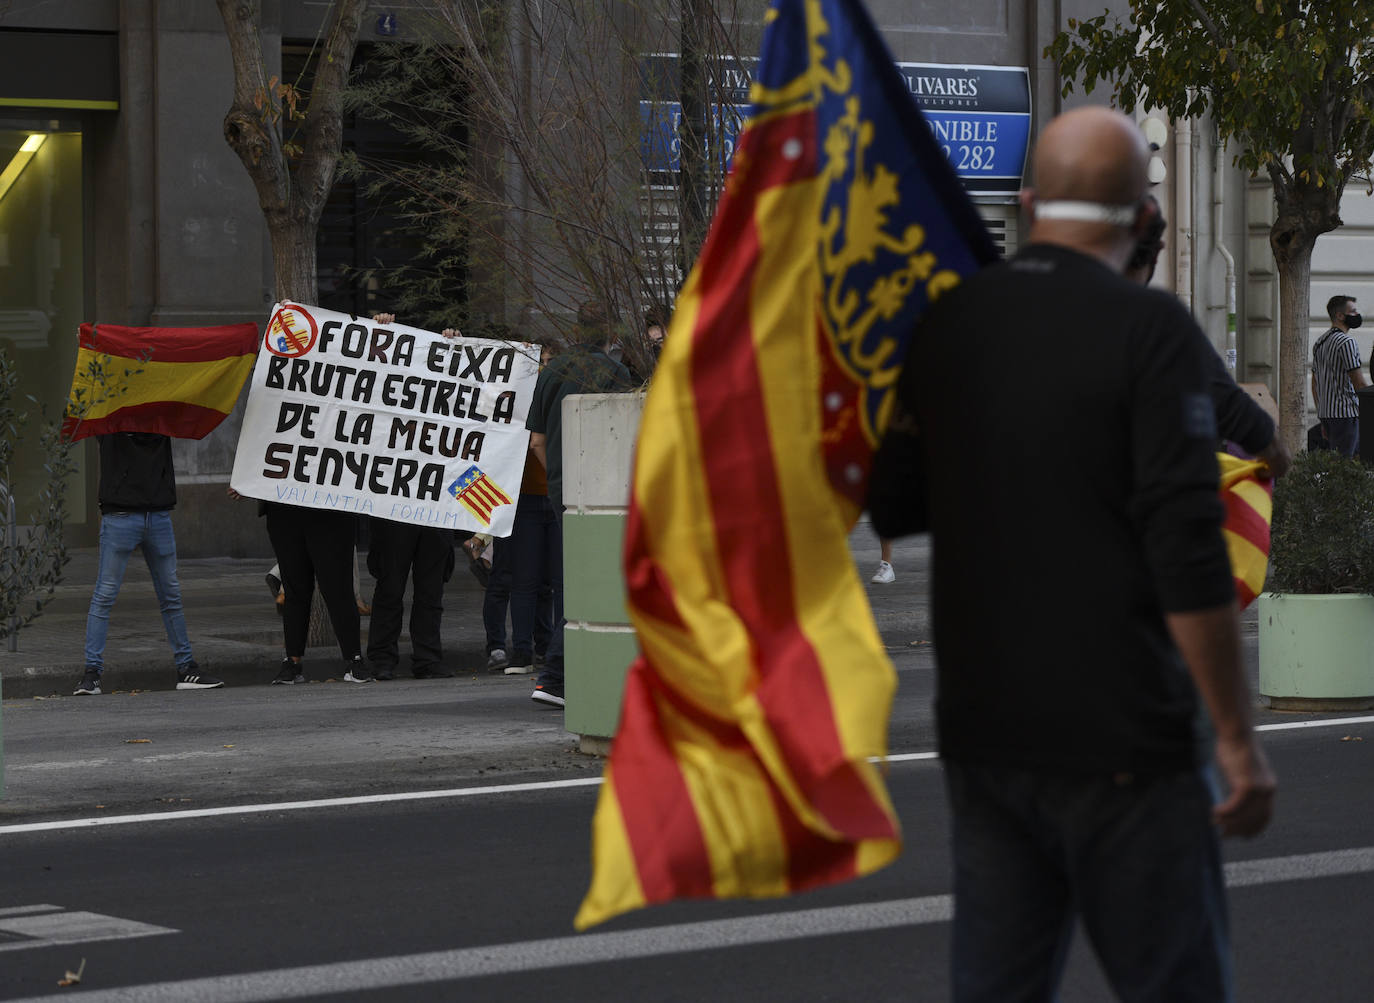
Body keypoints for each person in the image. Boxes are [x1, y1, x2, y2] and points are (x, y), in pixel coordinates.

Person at [870, 107, 1275, 1002]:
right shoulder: (1151, 330)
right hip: (1128, 736)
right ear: (1141, 221)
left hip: (985, 736)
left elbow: (892, 499)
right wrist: (1239, 741)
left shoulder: (948, 324)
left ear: (1024, 201)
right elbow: (1187, 554)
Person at [1127, 194, 1291, 478]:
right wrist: (1273, 457)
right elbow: (1229, 405)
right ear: (1157, 251)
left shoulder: (1038, 305)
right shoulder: (1157, 320)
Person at [525, 301, 636, 706]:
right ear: (610, 333)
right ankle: (555, 677)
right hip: (606, 486)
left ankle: (560, 678)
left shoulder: (551, 371)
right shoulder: (614, 372)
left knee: (577, 578)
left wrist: (561, 474)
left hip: (559, 488)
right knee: (596, 581)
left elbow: (536, 440)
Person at [74, 432, 223, 694]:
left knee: (168, 596)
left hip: (155, 514)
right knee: (107, 594)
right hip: (127, 515)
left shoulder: (158, 418)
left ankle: (186, 668)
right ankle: (92, 673)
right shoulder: (114, 417)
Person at [361, 313, 456, 681]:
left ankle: (427, 658)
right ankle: (383, 658)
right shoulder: (387, 390)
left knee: (430, 591)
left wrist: (458, 347)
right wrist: (377, 333)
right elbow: (363, 379)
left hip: (435, 505)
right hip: (395, 504)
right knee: (391, 586)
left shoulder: (445, 387)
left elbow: (472, 386)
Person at [1311, 294, 1367, 457]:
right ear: (1340, 315)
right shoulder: (1346, 342)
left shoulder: (1320, 343)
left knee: (1336, 465)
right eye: (1353, 311)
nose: (1357, 315)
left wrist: (1321, 415)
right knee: (1347, 466)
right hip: (1347, 414)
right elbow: (1359, 383)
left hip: (1327, 415)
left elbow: (1315, 383)